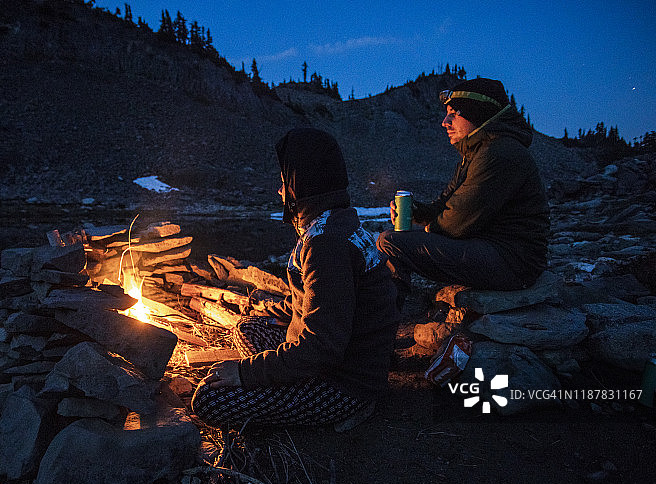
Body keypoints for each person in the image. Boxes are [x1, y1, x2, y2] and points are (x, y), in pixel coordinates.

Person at [191, 128, 399, 431]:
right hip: (342, 357)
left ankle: (340, 410)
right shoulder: (335, 222)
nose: (279, 191)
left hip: (343, 384)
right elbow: (316, 303)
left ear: (302, 184)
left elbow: (322, 346)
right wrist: (270, 309)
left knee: (209, 401)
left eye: (284, 182)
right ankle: (286, 381)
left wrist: (245, 373)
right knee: (247, 328)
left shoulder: (326, 244)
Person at [376, 78, 549, 308]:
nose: (445, 122)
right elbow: (446, 203)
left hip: (513, 263)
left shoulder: (499, 153)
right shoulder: (477, 152)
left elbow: (455, 223)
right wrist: (417, 212)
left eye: (454, 113)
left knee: (391, 242)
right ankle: (382, 317)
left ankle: (380, 326)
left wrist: (426, 230)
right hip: (496, 251)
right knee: (395, 239)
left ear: (479, 113)